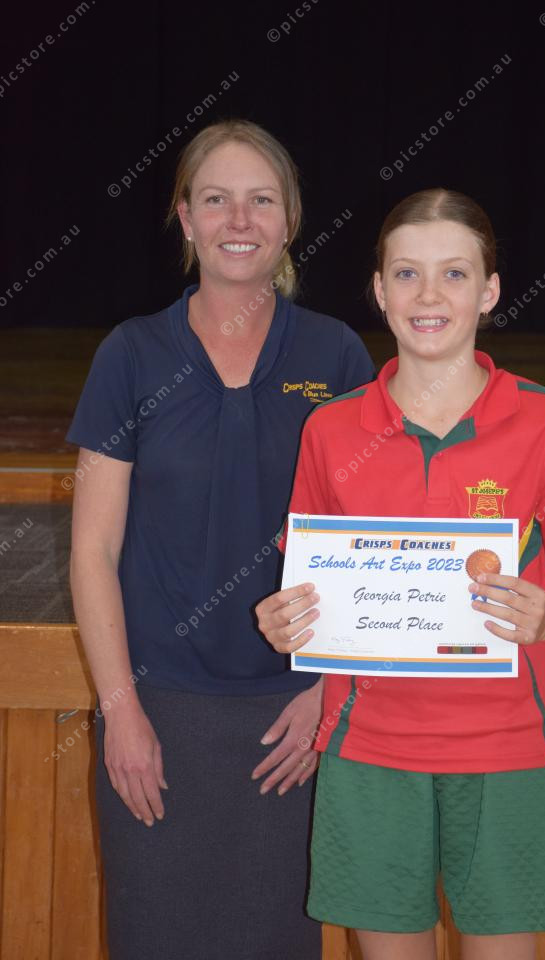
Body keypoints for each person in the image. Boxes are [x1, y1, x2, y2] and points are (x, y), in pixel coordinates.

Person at [256, 188, 545, 960]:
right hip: (368, 749)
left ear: (489, 292)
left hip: (506, 748)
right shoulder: (330, 429)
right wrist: (283, 620)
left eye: (454, 274)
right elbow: (306, 590)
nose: (429, 296)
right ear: (379, 290)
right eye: (407, 274)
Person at [65, 119, 375, 960]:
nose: (239, 220)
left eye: (261, 200)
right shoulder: (131, 355)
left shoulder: (336, 354)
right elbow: (92, 552)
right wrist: (121, 711)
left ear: (290, 218)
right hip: (158, 715)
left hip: (293, 723)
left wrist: (328, 692)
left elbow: (367, 542)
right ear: (186, 218)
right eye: (216, 200)